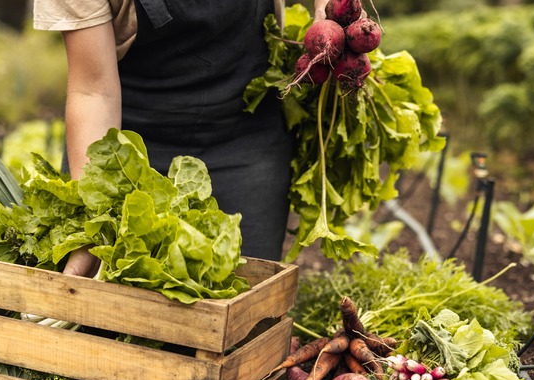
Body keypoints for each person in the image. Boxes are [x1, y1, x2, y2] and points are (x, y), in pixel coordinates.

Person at [33, 0, 328, 277]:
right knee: (107, 319)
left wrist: (331, 14)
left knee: (247, 311)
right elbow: (93, 91)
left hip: (246, 132)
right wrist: (93, 219)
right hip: (128, 149)